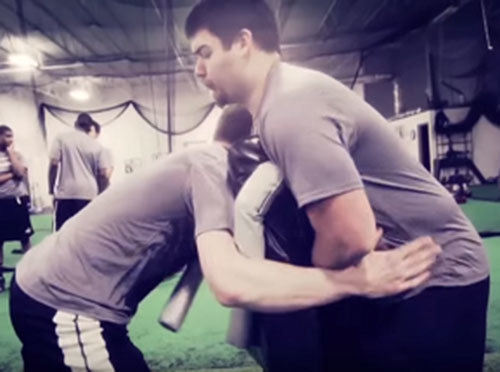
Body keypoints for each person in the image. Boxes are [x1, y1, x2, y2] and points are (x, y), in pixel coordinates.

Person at [9, 105, 439, 372]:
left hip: (42, 287)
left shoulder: (208, 174)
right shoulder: (211, 169)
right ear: (256, 148)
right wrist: (357, 280)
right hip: (64, 307)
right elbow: (231, 283)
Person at [185, 1, 490, 370]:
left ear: (243, 42)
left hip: (430, 276)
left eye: (205, 53)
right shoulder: (276, 104)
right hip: (397, 275)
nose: (198, 70)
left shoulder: (289, 107)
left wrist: (308, 276)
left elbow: (351, 236)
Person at [48, 113, 112, 230]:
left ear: (75, 124)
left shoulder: (62, 138)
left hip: (66, 195)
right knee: (87, 235)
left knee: (64, 236)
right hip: (89, 196)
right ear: (90, 127)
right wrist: (99, 195)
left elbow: (53, 164)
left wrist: (52, 190)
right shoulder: (97, 145)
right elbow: (103, 175)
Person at [0, 125, 33, 292]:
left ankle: (30, 275)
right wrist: (12, 175)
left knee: (25, 238)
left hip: (17, 201)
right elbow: (17, 174)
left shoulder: (17, 155)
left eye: (11, 136)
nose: (10, 140)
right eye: (6, 136)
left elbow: (20, 173)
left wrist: (11, 153)